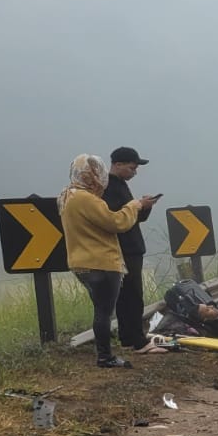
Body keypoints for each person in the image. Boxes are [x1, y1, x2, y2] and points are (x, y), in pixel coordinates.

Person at [59, 154, 158, 368]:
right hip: (101, 261)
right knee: (104, 313)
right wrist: (134, 205)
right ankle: (105, 357)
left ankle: (106, 353)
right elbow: (117, 222)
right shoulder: (87, 199)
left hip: (79, 261)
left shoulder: (66, 196)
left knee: (101, 310)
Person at [104, 146, 156, 352]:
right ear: (117, 165)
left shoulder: (121, 185)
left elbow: (131, 218)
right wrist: (137, 205)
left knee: (128, 294)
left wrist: (145, 208)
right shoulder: (110, 187)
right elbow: (118, 219)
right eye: (132, 168)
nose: (134, 172)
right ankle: (136, 339)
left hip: (131, 246)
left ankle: (128, 337)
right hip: (125, 248)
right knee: (132, 295)